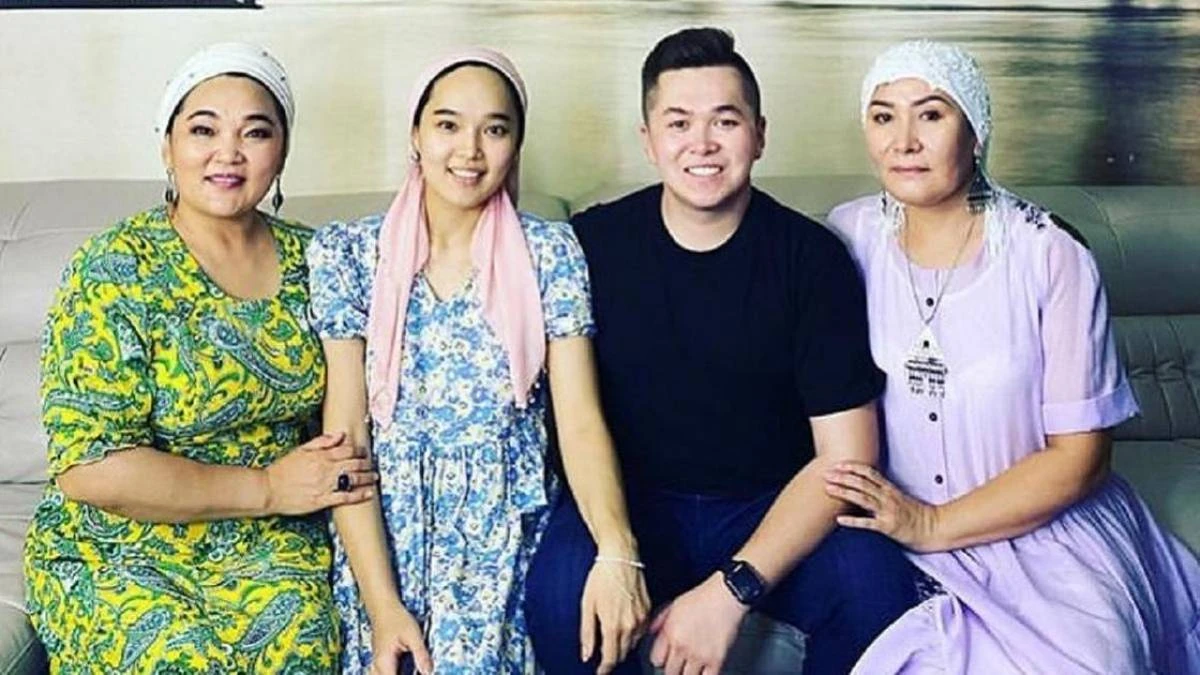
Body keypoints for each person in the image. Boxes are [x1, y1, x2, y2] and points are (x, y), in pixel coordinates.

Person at [524, 27, 919, 675]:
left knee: (873, 587)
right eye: (678, 123)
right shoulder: (593, 246)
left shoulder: (812, 259)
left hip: (770, 504)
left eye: (725, 121)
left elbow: (846, 458)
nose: (702, 143)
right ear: (648, 140)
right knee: (562, 594)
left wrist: (732, 591)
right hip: (631, 501)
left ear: (759, 135)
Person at [825, 39, 1200, 673]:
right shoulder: (847, 237)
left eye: (931, 114)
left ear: (975, 133)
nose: (904, 141)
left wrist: (932, 524)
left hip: (1042, 532)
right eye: (884, 117)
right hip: (892, 531)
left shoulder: (1049, 255)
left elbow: (1080, 457)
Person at [23, 43, 376, 673]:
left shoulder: (322, 262)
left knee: (302, 646)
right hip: (122, 541)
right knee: (174, 657)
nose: (228, 153)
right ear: (168, 147)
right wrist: (267, 488)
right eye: (203, 130)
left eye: (255, 132)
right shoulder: (114, 268)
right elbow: (90, 468)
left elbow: (356, 416)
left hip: (273, 542)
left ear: (282, 151)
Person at [307, 48, 647, 674]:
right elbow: (347, 438)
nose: (469, 151)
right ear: (415, 134)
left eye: (494, 129)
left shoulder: (550, 252)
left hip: (504, 530)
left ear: (516, 144)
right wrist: (383, 607)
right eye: (447, 124)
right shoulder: (348, 253)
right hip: (388, 530)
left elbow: (578, 422)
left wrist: (616, 551)